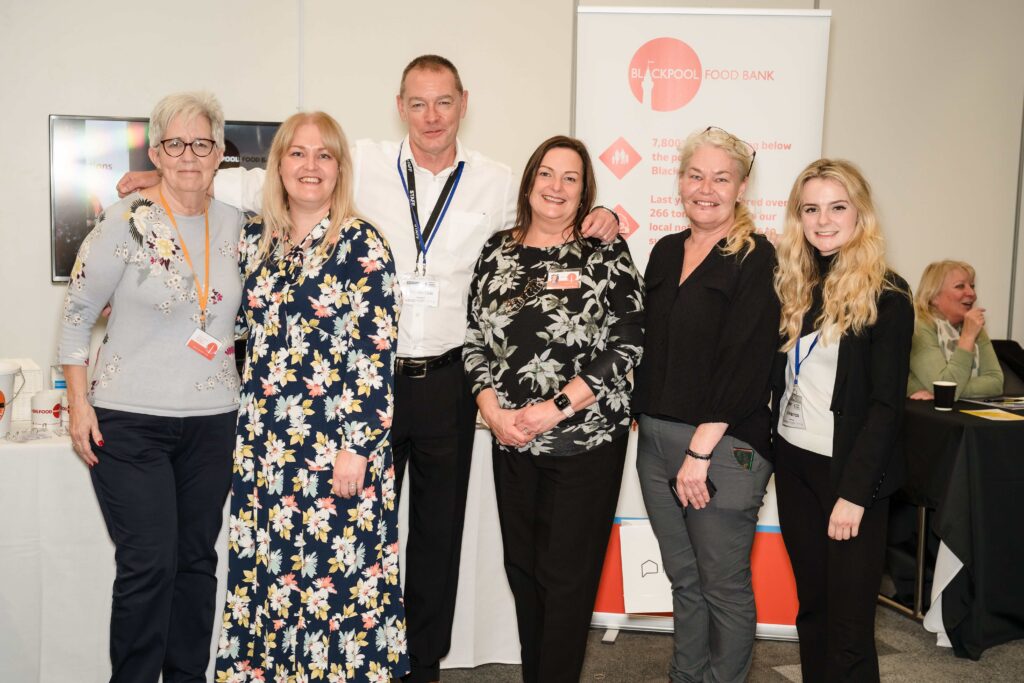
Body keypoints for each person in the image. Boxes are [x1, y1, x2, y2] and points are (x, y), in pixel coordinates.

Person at [118, 54, 620, 682]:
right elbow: (258, 179)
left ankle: (424, 666)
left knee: (434, 539)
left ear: (464, 103)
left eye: (443, 102)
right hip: (354, 394)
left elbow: (545, 215)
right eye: (417, 102)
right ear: (400, 105)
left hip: (442, 383)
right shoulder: (360, 161)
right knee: (353, 538)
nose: (431, 116)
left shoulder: (494, 182)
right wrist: (168, 177)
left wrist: (604, 214)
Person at [214, 111, 409, 680]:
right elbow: (234, 330)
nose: (310, 165)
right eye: (298, 153)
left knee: (335, 585)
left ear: (340, 169)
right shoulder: (256, 238)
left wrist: (358, 446)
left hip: (336, 451)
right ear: (277, 165)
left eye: (324, 155)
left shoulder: (361, 244)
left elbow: (375, 356)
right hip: (266, 448)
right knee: (269, 578)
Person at [59, 91, 242, 682]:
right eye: (175, 144)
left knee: (196, 563)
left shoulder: (242, 226)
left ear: (219, 154)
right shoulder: (124, 221)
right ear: (157, 153)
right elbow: (77, 315)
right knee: (148, 564)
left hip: (214, 421)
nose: (189, 155)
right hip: (129, 421)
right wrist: (78, 404)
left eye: (202, 144)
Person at [463, 135, 643, 683]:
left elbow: (629, 341)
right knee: (524, 571)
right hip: (511, 441)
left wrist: (556, 407)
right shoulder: (496, 250)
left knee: (566, 580)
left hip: (583, 441)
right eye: (546, 174)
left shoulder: (603, 250)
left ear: (585, 190)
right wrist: (493, 412)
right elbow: (473, 339)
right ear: (529, 181)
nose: (556, 187)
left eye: (570, 178)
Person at [632, 127, 778, 683]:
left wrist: (698, 452)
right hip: (656, 440)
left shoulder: (756, 257)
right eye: (696, 175)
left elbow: (746, 363)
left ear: (741, 187)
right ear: (680, 181)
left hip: (721, 446)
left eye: (721, 177)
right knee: (684, 580)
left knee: (723, 586)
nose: (706, 188)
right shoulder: (667, 250)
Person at [772, 159, 913, 682]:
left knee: (849, 626)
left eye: (837, 207)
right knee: (813, 611)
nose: (823, 220)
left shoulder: (888, 294)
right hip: (794, 463)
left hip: (851, 475)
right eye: (811, 208)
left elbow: (884, 407)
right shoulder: (795, 285)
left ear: (861, 214)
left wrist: (854, 494)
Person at [907, 260, 1003, 400]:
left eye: (972, 286)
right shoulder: (919, 326)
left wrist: (941, 391)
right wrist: (967, 338)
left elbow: (996, 382)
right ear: (934, 297)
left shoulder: (974, 327)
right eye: (960, 286)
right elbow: (944, 387)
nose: (972, 293)